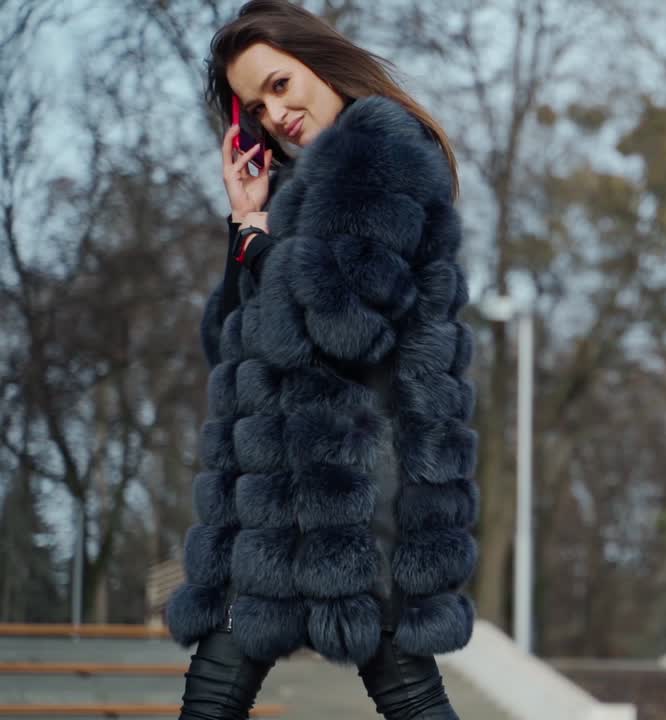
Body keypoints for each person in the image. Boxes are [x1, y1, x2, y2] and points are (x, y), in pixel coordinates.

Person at [164, 2, 479, 718]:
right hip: (282, 502)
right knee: (215, 694)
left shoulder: (380, 152)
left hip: (361, 492)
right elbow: (233, 347)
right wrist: (244, 222)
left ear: (319, 61)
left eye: (280, 84)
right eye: (254, 106)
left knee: (406, 693)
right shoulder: (300, 194)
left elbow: (346, 320)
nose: (275, 114)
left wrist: (257, 243)